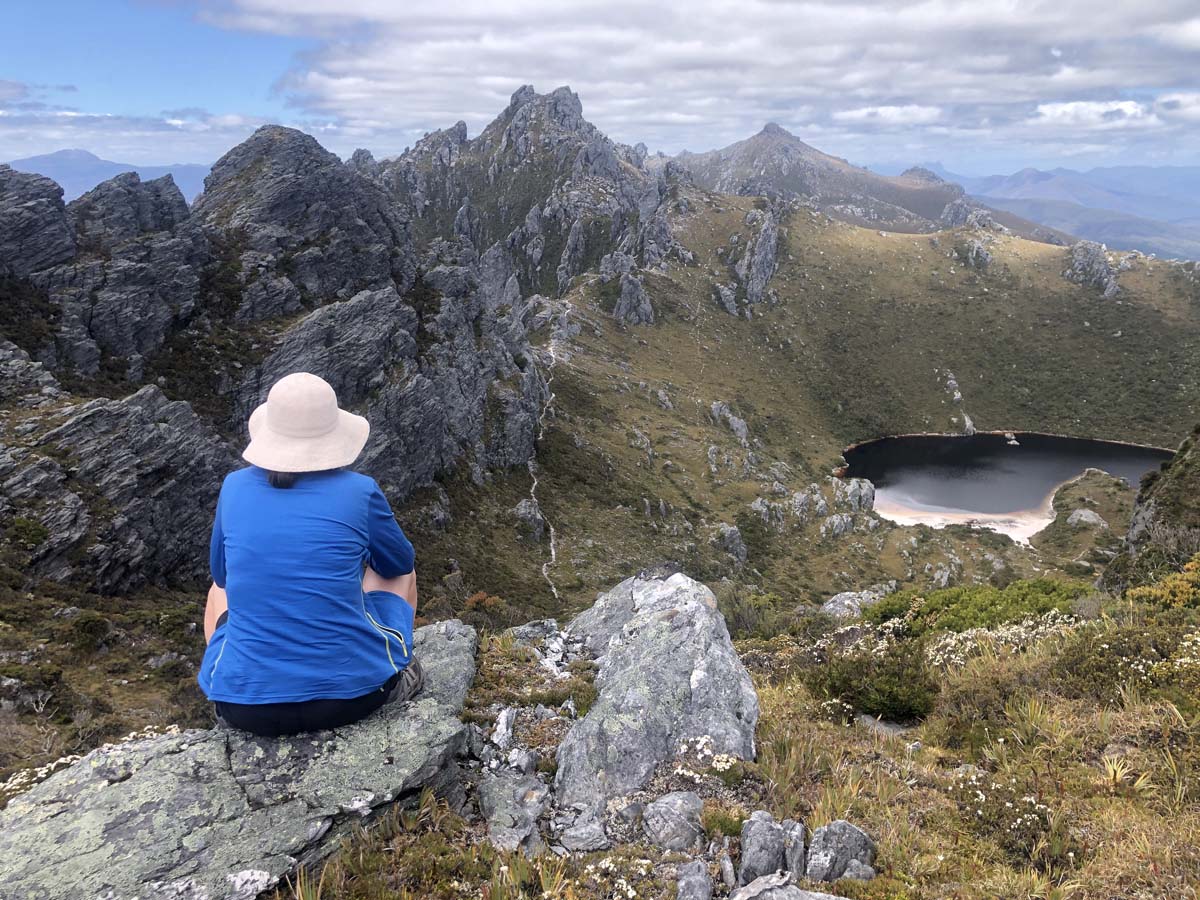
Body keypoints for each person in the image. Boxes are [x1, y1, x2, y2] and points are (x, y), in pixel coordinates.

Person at [198, 372, 423, 736]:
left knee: (217, 590)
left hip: (245, 711)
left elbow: (222, 576)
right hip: (352, 700)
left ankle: (244, 678)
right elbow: (399, 564)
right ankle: (398, 668)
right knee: (399, 574)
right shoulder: (360, 491)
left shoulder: (234, 487)